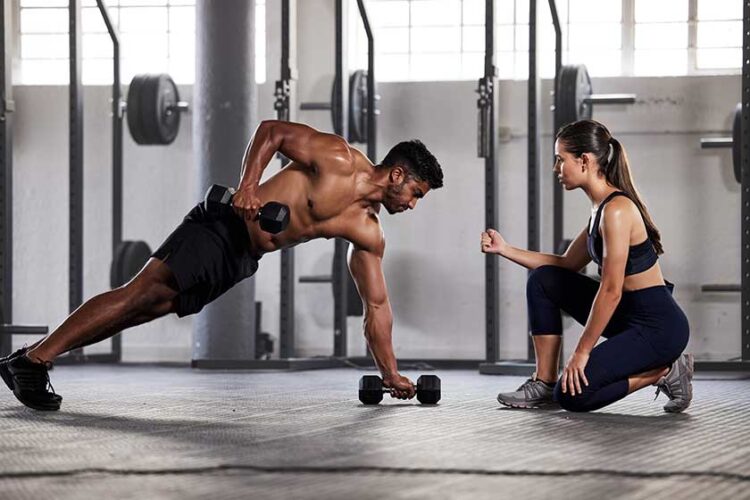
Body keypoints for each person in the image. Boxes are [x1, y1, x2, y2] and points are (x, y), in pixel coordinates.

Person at [0, 120, 444, 411]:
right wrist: (248, 185)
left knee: (147, 307)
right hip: (223, 225)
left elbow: (377, 308)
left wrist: (390, 374)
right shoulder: (337, 158)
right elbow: (271, 132)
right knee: (138, 293)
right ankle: (34, 360)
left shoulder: (367, 232)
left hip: (242, 257)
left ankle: (31, 360)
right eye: (417, 194)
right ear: (398, 176)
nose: (413, 205)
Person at [481, 119, 692, 413]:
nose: (556, 169)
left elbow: (611, 290)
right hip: (627, 317)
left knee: (572, 397)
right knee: (543, 280)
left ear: (584, 161)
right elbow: (566, 264)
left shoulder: (617, 211)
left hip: (658, 327)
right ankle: (544, 382)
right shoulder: (599, 210)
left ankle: (664, 372)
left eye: (560, 160)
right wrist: (504, 249)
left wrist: (581, 352)